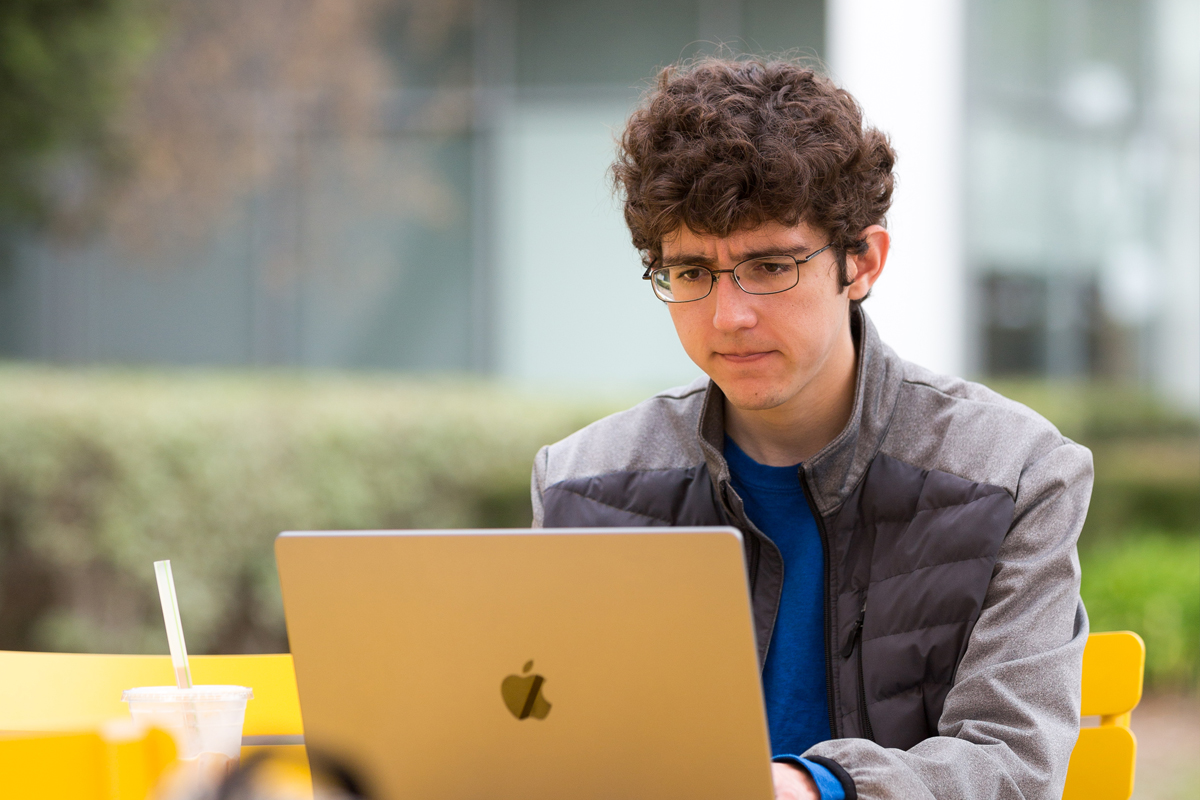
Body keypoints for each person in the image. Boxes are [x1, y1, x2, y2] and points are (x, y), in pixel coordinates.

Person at [530, 57, 1090, 800]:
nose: (728, 317)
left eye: (769, 266)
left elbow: (1011, 762)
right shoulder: (579, 479)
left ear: (862, 261)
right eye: (692, 272)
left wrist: (808, 787)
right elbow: (546, 739)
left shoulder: (1014, 471)